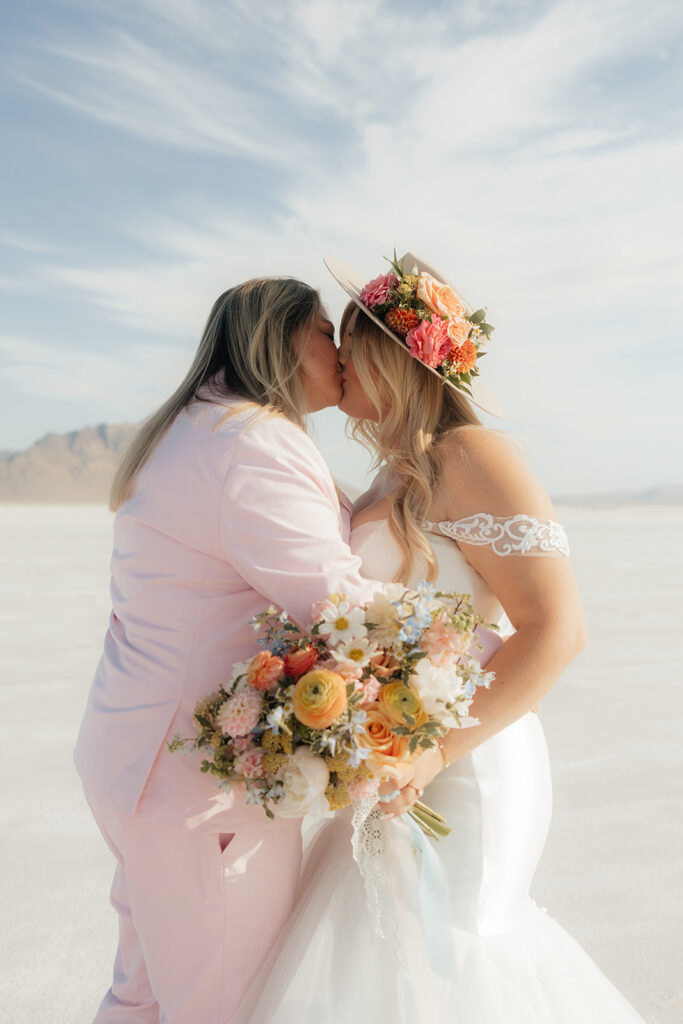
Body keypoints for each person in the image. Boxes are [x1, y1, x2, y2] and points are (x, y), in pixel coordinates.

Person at [230, 253, 646, 1023]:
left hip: (472, 760)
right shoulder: (393, 476)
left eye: (348, 346)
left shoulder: (473, 457)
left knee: (458, 962)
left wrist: (432, 752)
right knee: (390, 966)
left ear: (393, 358)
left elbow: (557, 630)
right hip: (397, 768)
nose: (336, 363)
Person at [74, 276, 383, 1024]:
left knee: (145, 993)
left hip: (134, 764)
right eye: (322, 332)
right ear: (279, 341)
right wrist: (477, 644)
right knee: (222, 1004)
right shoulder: (251, 444)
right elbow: (338, 603)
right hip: (192, 787)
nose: (338, 352)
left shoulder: (193, 427)